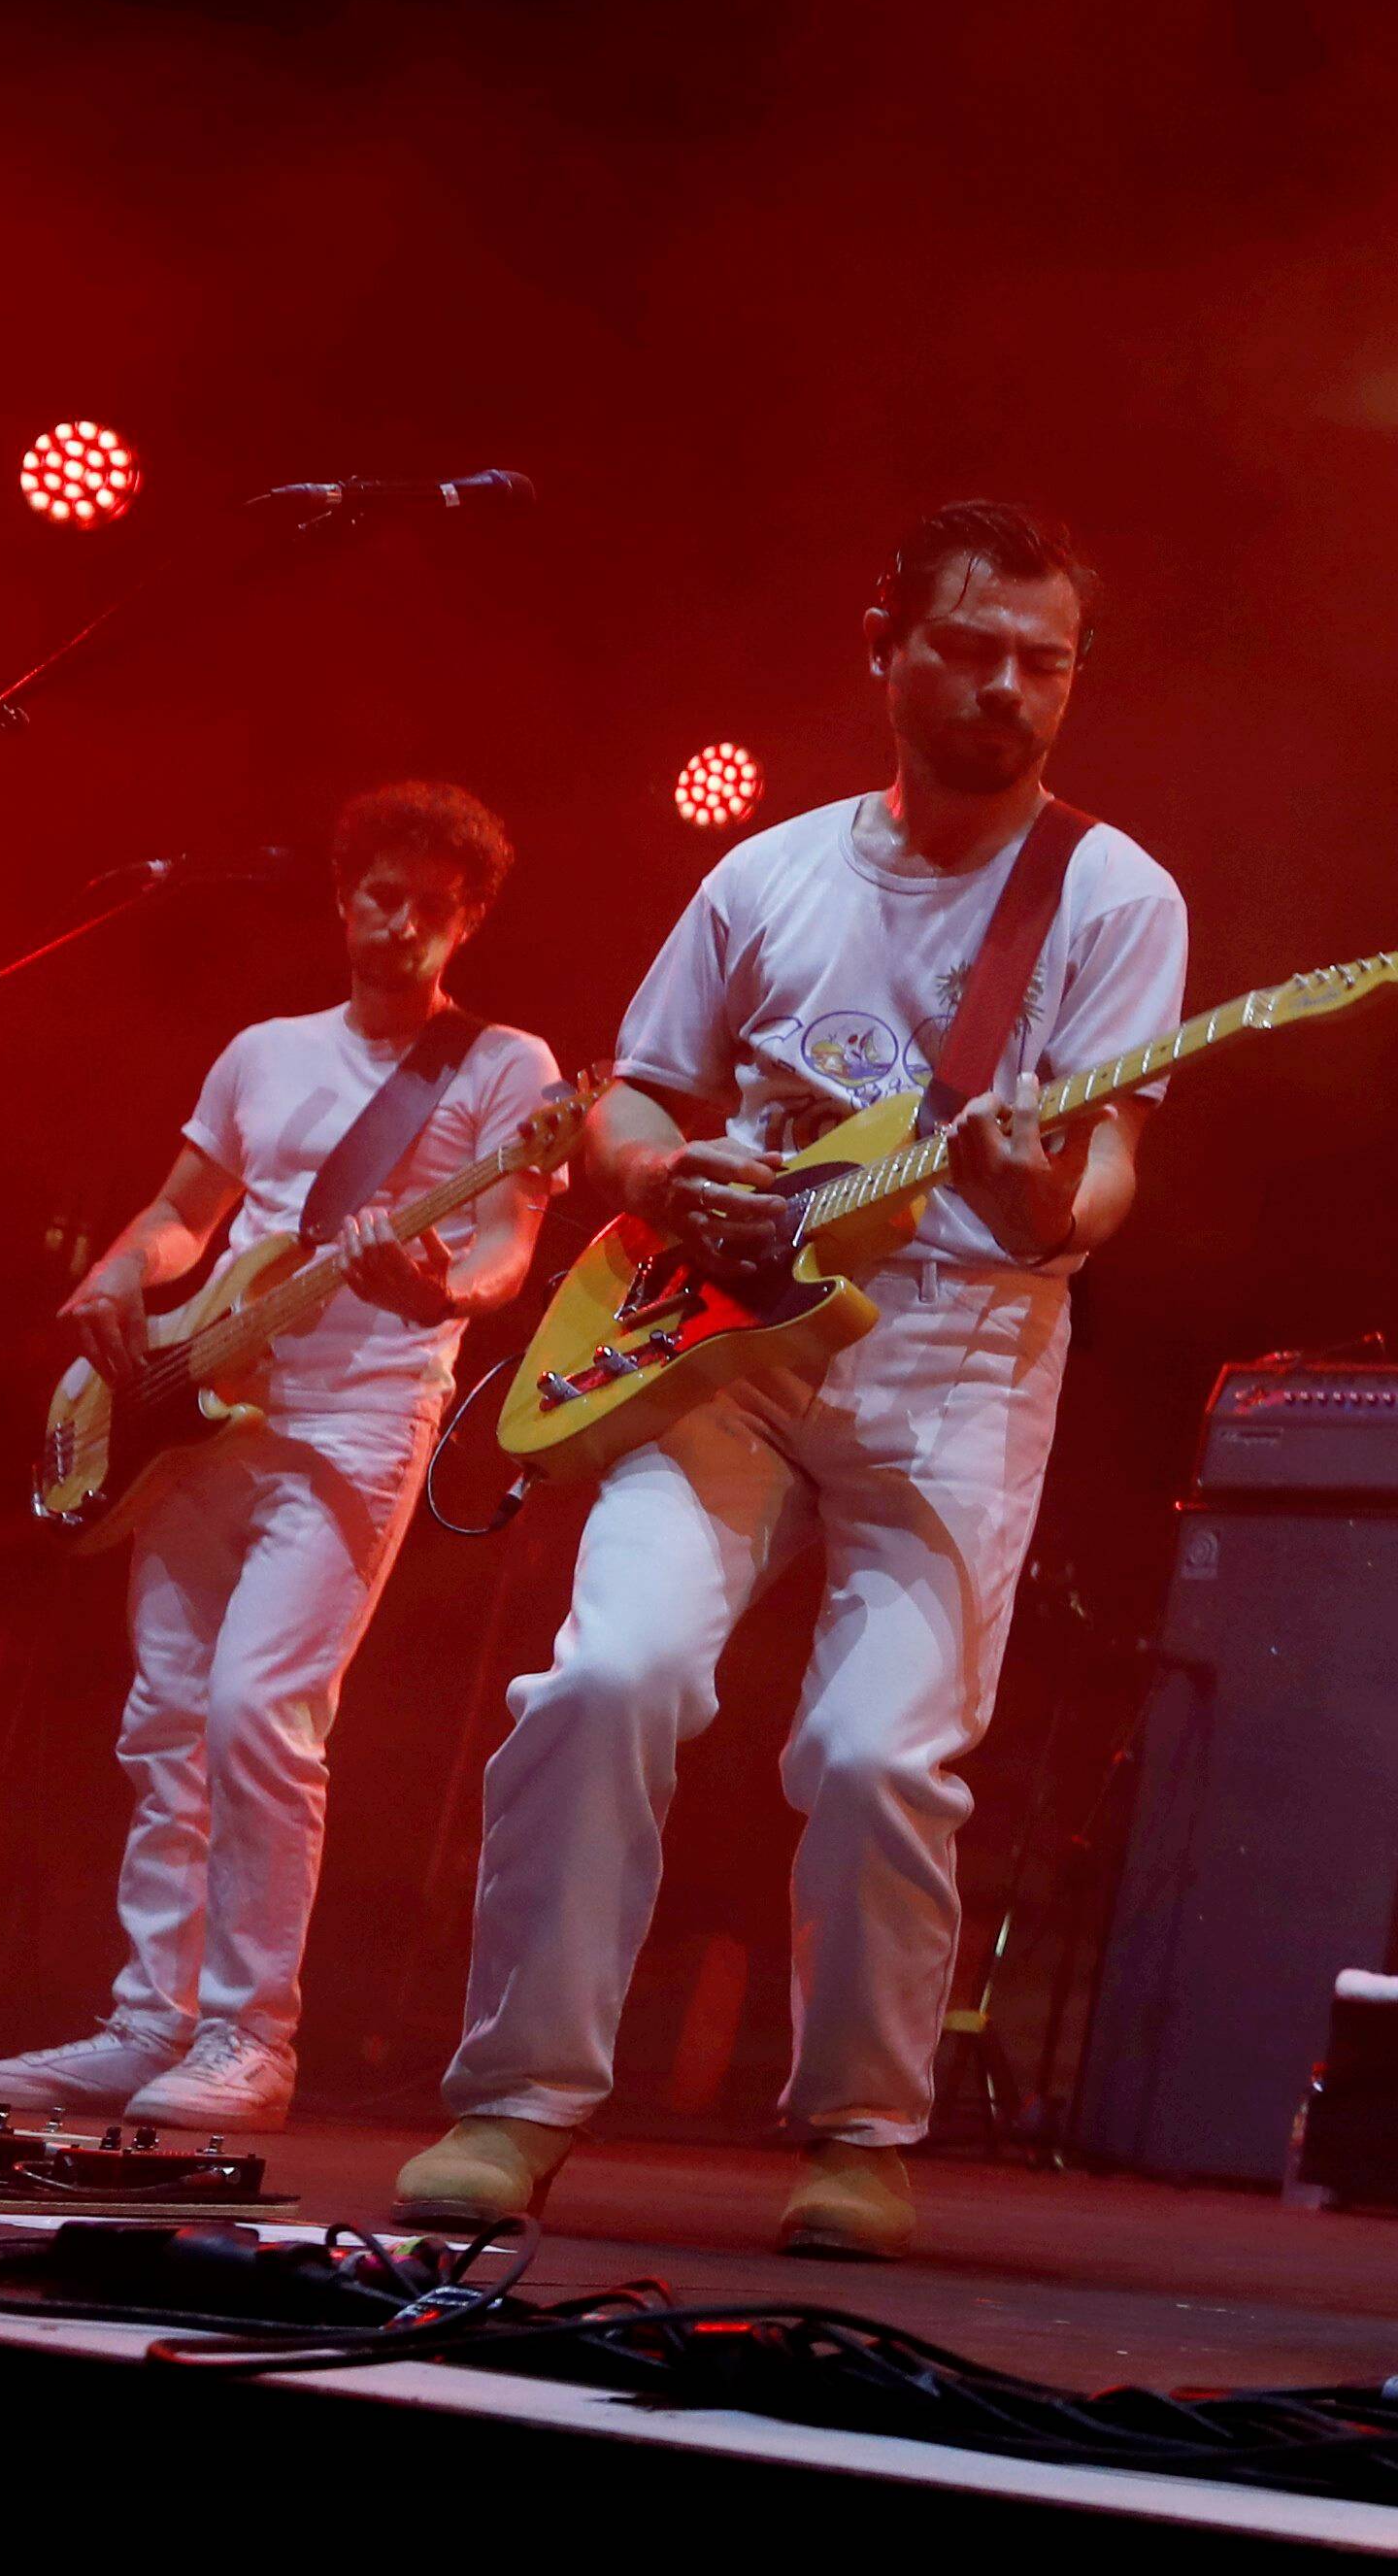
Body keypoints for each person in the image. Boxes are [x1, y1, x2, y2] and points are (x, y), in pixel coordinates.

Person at [393, 499, 1188, 2260]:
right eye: (969, 648)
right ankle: (515, 2103)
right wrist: (661, 1176)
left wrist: (1036, 1184)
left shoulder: (1112, 894)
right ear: (883, 645)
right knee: (612, 1676)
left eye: (1041, 662)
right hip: (725, 1337)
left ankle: (857, 2134)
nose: (1005, 687)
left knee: (877, 1752)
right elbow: (631, 1097)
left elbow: (1109, 1177)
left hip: (960, 1345)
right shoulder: (768, 873)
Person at [0, 785, 567, 2130]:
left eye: (429, 906)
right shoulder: (262, 1051)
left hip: (360, 1411)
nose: (396, 924)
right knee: (164, 1718)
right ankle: (145, 2025)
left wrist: (446, 1293)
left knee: (259, 1714)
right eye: (377, 895)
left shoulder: (506, 1070)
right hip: (202, 1399)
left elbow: (507, 1248)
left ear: (467, 920)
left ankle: (254, 2039)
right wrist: (130, 1268)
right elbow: (189, 1212)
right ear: (341, 896)